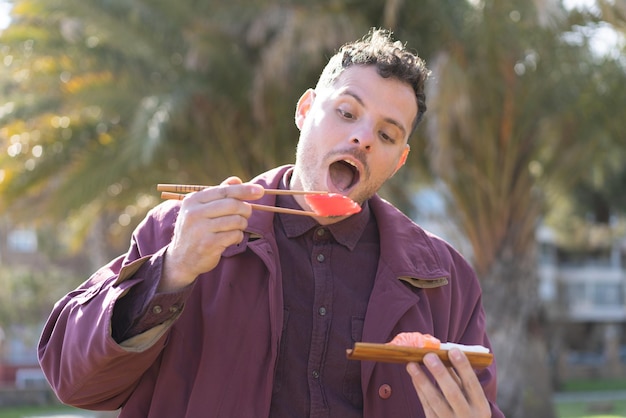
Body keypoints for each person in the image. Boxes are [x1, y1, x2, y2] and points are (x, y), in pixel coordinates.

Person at [38, 28, 504, 418]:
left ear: (398, 161)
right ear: (305, 111)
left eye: (386, 134)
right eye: (346, 112)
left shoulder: (444, 279)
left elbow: (480, 401)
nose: (362, 136)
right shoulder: (183, 230)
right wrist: (173, 270)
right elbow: (73, 380)